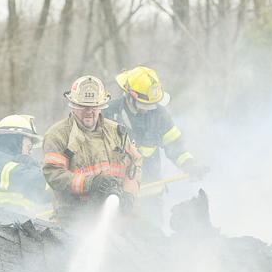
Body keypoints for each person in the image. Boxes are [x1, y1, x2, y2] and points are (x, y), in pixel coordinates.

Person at [103, 66, 208, 222]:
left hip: (149, 197)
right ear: (130, 95)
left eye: (152, 105)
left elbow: (175, 147)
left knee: (152, 241)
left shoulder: (159, 115)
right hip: (115, 196)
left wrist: (189, 164)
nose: (148, 110)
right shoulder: (109, 113)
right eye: (144, 105)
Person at [42, 75, 142, 224]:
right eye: (83, 106)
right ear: (73, 105)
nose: (89, 111)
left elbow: (135, 164)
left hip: (115, 215)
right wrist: (91, 184)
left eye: (94, 106)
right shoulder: (58, 135)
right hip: (73, 216)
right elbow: (54, 175)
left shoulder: (116, 132)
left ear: (101, 106)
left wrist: (128, 194)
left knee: (151, 240)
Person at [0, 114, 50, 214]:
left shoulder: (1, 163)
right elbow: (44, 183)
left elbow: (43, 196)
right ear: (15, 141)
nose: (31, 152)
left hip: (10, 225)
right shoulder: (3, 167)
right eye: (29, 147)